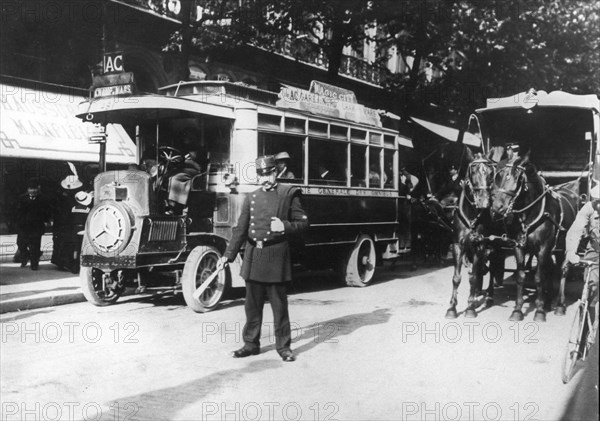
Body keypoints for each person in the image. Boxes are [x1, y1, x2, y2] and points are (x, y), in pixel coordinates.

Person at [217, 155, 309, 362]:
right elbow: (240, 230)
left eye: (269, 173)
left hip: (276, 255)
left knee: (279, 306)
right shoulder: (251, 197)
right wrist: (227, 255)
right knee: (252, 305)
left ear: (276, 172)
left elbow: (303, 223)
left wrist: (285, 226)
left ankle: (284, 347)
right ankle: (250, 344)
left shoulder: (289, 193)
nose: (265, 178)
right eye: (261, 175)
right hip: (254, 255)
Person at [565, 184, 599, 339]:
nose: (598, 205)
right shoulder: (588, 208)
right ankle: (589, 332)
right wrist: (571, 252)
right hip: (595, 252)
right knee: (590, 289)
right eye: (597, 200)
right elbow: (575, 230)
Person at [16, 178, 51, 270]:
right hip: (24, 225)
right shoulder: (22, 198)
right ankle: (26, 256)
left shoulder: (43, 198)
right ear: (27, 189)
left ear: (38, 189)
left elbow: (47, 211)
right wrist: (18, 223)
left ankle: (34, 264)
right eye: (31, 188)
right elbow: (17, 212)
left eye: (35, 188)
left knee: (35, 245)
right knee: (21, 243)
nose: (33, 191)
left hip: (37, 225)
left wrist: (47, 221)